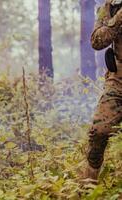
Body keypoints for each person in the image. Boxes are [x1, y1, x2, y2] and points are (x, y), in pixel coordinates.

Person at [83, 0, 122, 182]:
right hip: (118, 80)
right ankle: (88, 186)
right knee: (99, 131)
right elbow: (96, 41)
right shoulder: (110, 6)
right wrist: (118, 17)